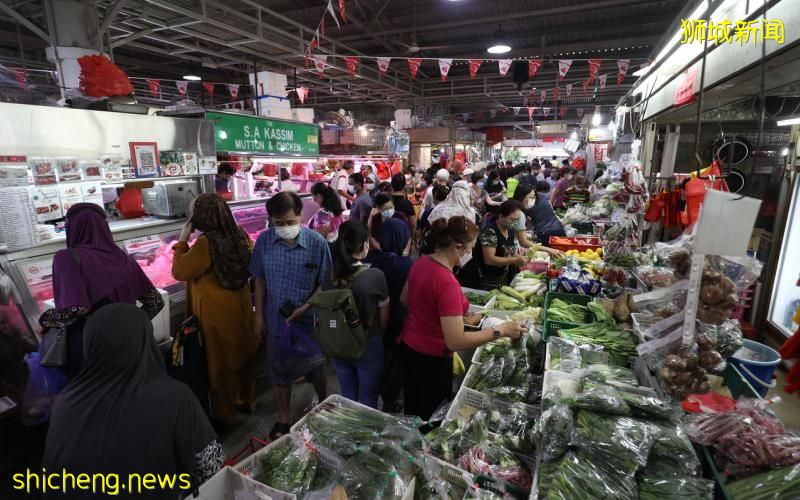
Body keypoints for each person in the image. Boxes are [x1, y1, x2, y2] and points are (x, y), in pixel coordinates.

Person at [42, 304, 222, 500]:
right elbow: (212, 466)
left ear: (90, 345)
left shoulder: (65, 401)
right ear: (145, 340)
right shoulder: (175, 397)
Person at [399, 216, 527, 419]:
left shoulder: (421, 262)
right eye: (471, 247)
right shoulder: (446, 281)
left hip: (410, 350)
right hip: (432, 359)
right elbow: (455, 340)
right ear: (457, 247)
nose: (471, 252)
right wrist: (500, 330)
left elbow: (405, 299)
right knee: (429, 419)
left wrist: (443, 315)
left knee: (413, 411)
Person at [38, 203, 164, 379]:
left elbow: (77, 309)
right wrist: (130, 326)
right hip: (128, 346)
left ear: (72, 228)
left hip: (90, 350)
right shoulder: (124, 258)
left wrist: (47, 319)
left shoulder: (66, 258)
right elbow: (156, 302)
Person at [171, 194, 261, 426]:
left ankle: (226, 414)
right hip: (240, 309)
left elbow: (180, 272)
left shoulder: (206, 243)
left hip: (215, 315)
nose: (191, 217)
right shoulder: (239, 234)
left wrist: (182, 240)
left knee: (220, 365)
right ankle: (247, 400)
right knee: (242, 355)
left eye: (194, 212)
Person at [249, 192, 331, 439]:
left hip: (309, 322)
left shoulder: (317, 244)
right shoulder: (264, 241)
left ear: (299, 216)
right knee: (278, 370)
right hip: (275, 320)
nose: (284, 228)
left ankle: (323, 404)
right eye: (279, 224)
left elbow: (326, 283)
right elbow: (259, 279)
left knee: (316, 368)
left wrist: (306, 307)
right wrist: (258, 316)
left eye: (289, 222)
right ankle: (284, 418)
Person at [327, 221, 390, 408]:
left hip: (338, 342)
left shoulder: (328, 276)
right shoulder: (374, 276)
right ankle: (363, 435)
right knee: (368, 399)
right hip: (367, 343)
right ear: (364, 245)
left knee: (347, 394)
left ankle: (348, 432)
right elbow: (384, 317)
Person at [365, 215, 414, 412]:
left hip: (371, 317)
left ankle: (372, 394)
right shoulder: (407, 265)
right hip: (397, 319)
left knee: (378, 357)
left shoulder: (371, 259)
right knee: (394, 362)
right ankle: (390, 400)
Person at [470, 200, 527, 289]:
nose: (515, 223)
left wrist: (519, 258)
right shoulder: (489, 232)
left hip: (502, 275)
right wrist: (515, 260)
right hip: (488, 278)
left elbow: (510, 251)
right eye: (512, 219)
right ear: (501, 216)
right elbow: (489, 259)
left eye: (517, 220)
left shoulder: (509, 229)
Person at [511, 184, 568, 249]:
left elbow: (524, 227)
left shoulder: (524, 208)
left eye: (534, 196)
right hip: (557, 228)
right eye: (531, 197)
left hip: (546, 232)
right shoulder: (541, 196)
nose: (533, 199)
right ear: (521, 197)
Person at [390, 173, 417, 243]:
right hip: (402, 238)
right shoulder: (408, 204)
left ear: (391, 185)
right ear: (404, 186)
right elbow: (413, 224)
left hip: (386, 236)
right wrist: (412, 239)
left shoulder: (384, 200)